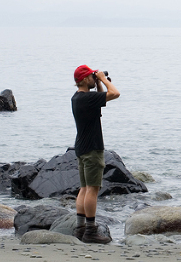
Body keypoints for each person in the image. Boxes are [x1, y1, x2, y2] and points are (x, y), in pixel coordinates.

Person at [71, 64, 120, 244]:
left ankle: (80, 228)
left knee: (84, 189)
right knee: (93, 189)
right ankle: (90, 231)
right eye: (91, 76)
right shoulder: (87, 98)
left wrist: (98, 81)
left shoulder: (78, 98)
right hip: (92, 148)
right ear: (85, 79)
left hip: (82, 148)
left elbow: (102, 100)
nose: (94, 77)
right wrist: (104, 79)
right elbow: (115, 93)